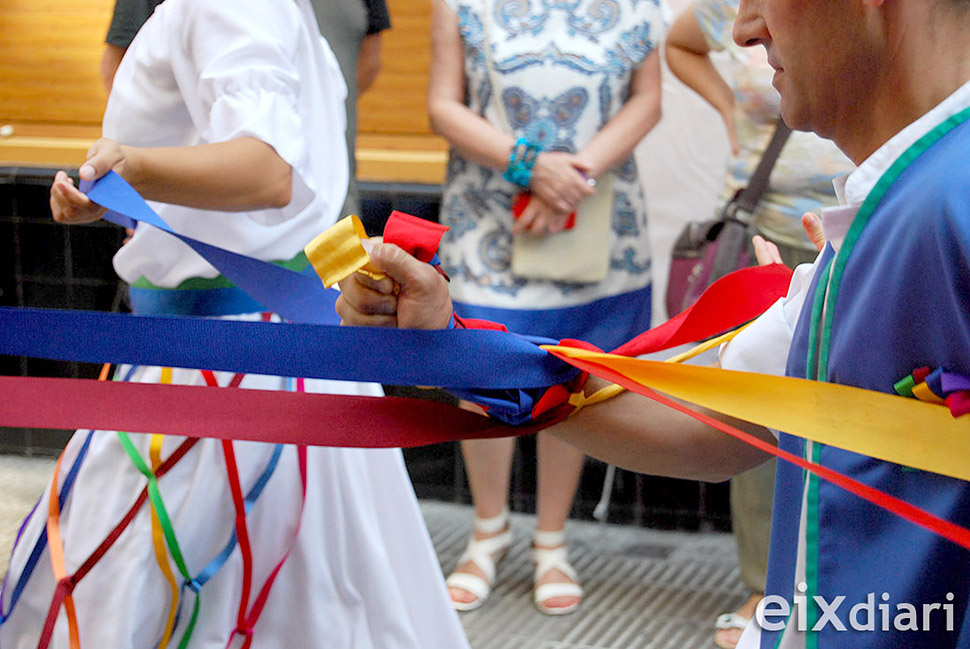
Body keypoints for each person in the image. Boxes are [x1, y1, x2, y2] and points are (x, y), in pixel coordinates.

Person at [337, 0, 970, 646]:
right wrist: (447, 346)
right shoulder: (897, 201)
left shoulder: (951, 202)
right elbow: (707, 426)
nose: (745, 28)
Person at [0, 1, 471, 647]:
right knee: (323, 588)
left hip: (228, 366)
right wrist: (118, 194)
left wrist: (129, 165)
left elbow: (269, 173)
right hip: (286, 350)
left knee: (160, 581)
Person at [425, 0, 666, 615]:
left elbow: (648, 100)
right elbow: (443, 105)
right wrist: (529, 166)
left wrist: (571, 178)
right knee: (480, 370)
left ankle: (551, 539)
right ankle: (488, 529)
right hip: (487, 219)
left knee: (575, 371)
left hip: (595, 214)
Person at [663, 1, 854, 646]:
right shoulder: (727, 8)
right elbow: (680, 44)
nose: (751, 30)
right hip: (766, 225)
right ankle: (761, 585)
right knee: (758, 409)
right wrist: (727, 111)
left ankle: (842, 585)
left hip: (855, 224)